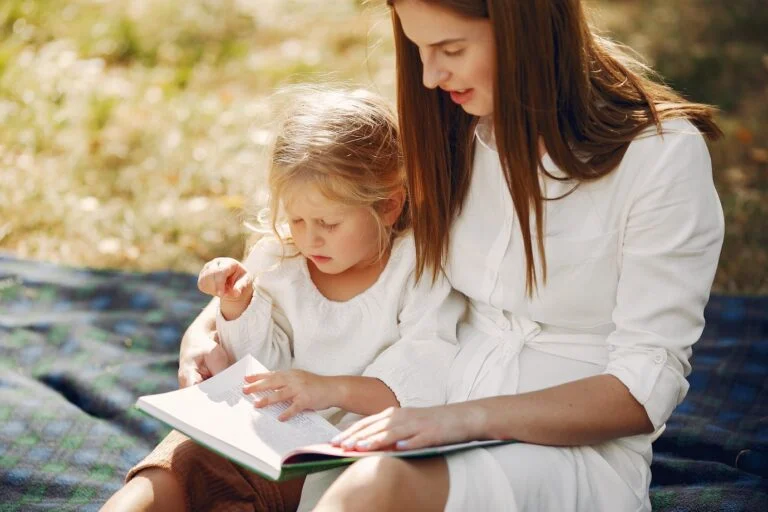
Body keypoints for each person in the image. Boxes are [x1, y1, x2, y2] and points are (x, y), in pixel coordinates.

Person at [310, 0, 726, 511]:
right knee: (201, 465)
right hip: (423, 409)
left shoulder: (659, 157)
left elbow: (644, 387)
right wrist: (218, 324)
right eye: (419, 50)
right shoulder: (454, 127)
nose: (430, 76)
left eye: (451, 49)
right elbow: (343, 236)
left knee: (375, 487)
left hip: (565, 453)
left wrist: (459, 420)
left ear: (524, 29)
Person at [100, 86, 465, 512]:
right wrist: (237, 308)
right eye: (296, 218)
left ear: (387, 206)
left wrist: (326, 389)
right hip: (262, 439)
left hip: (346, 457)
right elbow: (261, 368)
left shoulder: (416, 269)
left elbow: (421, 382)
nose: (310, 237)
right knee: (177, 466)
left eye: (328, 222)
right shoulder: (281, 258)